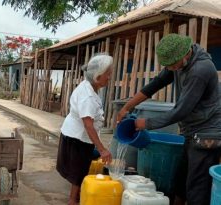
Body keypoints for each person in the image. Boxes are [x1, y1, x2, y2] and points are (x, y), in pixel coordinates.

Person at [116, 34, 221, 205]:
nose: (171, 69)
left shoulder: (200, 70)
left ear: (185, 55)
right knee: (181, 179)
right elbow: (156, 84)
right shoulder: (179, 63)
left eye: (172, 65)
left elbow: (181, 111)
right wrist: (127, 106)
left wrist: (144, 123)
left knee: (197, 186)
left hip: (208, 133)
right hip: (192, 130)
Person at [57, 54, 113, 205]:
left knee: (80, 167)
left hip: (76, 135)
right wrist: (102, 149)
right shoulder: (87, 96)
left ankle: (76, 196)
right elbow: (88, 125)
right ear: (98, 77)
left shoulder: (89, 86)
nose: (110, 77)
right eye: (108, 74)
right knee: (79, 170)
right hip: (78, 137)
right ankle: (72, 200)